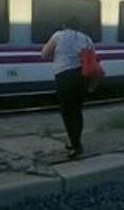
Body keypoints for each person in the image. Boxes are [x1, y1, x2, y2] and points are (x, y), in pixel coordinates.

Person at [42, 17, 93, 159]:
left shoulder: (58, 35)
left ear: (65, 25)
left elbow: (44, 54)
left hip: (64, 77)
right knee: (77, 110)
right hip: (81, 77)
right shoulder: (86, 38)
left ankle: (75, 145)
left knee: (67, 112)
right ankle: (76, 141)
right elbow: (92, 58)